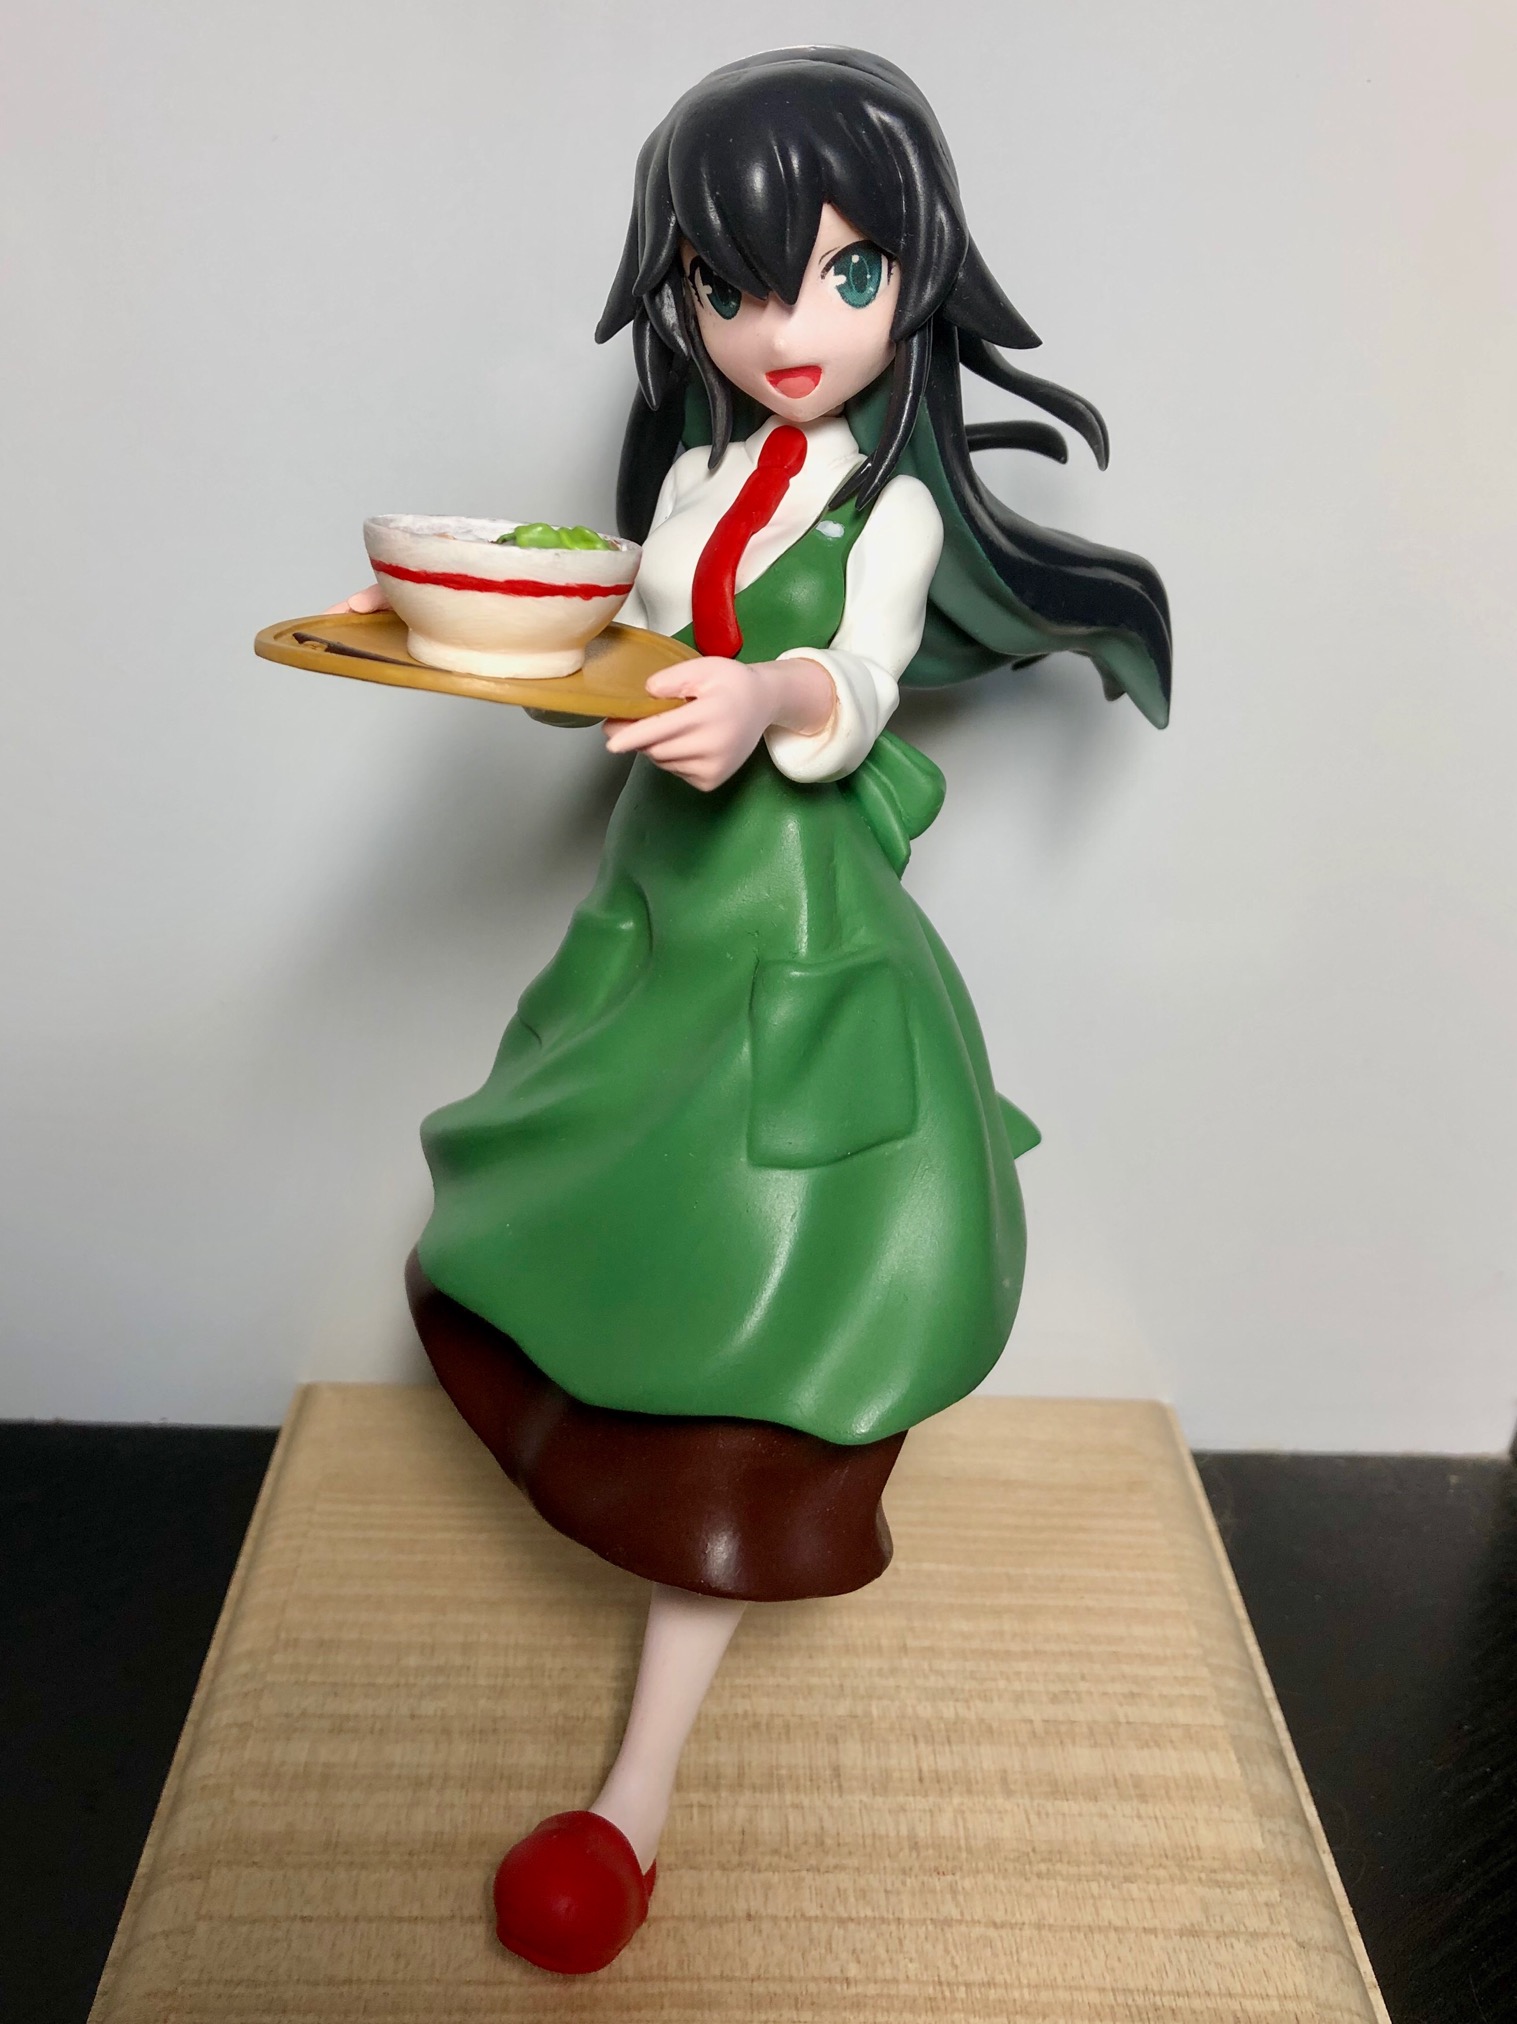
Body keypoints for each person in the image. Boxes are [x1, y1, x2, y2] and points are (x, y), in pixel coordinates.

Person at [339, 46, 1171, 1975]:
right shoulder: (703, 472)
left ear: (913, 273)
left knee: (764, 1315)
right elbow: (624, 634)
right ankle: (617, 1610)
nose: (786, 330)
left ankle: (635, 1792)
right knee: (590, 1229)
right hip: (658, 926)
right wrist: (462, 627)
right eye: (732, 286)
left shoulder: (888, 511)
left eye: (841, 275)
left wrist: (768, 700)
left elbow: (857, 684)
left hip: (789, 945)